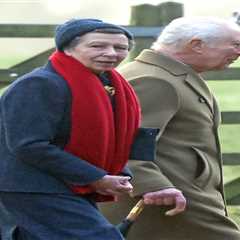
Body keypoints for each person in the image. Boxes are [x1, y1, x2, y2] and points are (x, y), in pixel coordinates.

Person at [99, 17, 240, 240]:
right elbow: (122, 142)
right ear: (197, 45)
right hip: (168, 203)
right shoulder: (154, 80)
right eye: (235, 44)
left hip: (177, 198)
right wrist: (152, 185)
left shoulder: (167, 74)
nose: (238, 52)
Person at [0, 18, 141, 240]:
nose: (111, 53)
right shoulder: (39, 84)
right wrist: (96, 177)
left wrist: (119, 174)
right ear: (68, 48)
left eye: (120, 48)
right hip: (33, 186)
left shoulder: (110, 86)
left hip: (68, 184)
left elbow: (114, 139)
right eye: (97, 46)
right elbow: (28, 145)